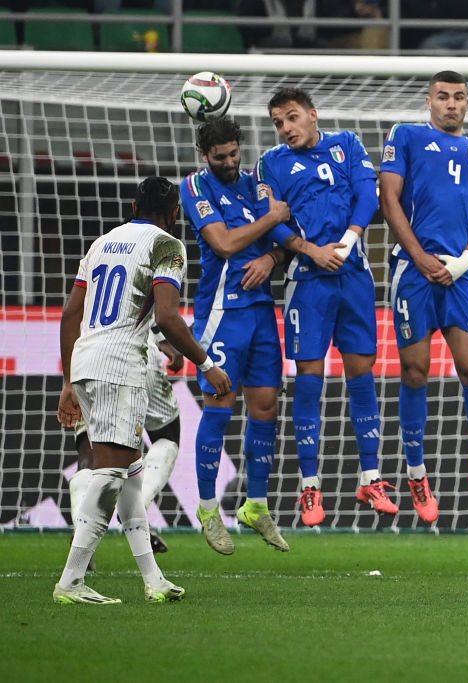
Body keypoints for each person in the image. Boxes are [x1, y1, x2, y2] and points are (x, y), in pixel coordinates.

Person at [54, 176, 231, 604]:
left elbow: (69, 315)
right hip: (120, 367)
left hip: (86, 362)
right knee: (113, 475)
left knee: (131, 475)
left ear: (133, 206)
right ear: (174, 214)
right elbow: (168, 317)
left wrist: (66, 381)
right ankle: (71, 581)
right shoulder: (168, 246)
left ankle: (153, 580)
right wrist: (206, 365)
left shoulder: (101, 243)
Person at [256, 87, 394, 525]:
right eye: (279, 122)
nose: (286, 128)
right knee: (309, 380)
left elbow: (368, 198)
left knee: (361, 373)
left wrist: (346, 244)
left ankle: (371, 477)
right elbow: (272, 224)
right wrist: (311, 251)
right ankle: (310, 487)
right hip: (308, 281)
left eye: (292, 117)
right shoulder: (270, 163)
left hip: (353, 274)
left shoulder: (347, 144)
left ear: (313, 115)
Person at [379, 70, 468, 522]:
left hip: (458, 275)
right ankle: (416, 473)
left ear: (467, 104)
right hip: (413, 273)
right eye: (443, 97)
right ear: (429, 100)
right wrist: (420, 258)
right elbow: (388, 199)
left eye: (459, 97)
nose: (452, 104)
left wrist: (462, 262)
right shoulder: (407, 136)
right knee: (416, 372)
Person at [180, 117, 296, 553]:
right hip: (222, 312)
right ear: (204, 156)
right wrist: (271, 221)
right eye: (220, 157)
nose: (229, 163)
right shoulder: (195, 187)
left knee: (266, 405)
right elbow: (225, 244)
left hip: (262, 310)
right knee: (220, 406)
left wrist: (272, 258)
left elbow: (288, 233)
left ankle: (256, 505)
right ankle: (208, 508)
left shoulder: (256, 183)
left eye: (234, 154)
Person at [68, 325, 184, 562]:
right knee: (166, 435)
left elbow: (71, 313)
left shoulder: (83, 285)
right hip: (136, 351)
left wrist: (67, 380)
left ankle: (82, 531)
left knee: (90, 454)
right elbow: (163, 311)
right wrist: (165, 340)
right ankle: (137, 505)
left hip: (87, 353)